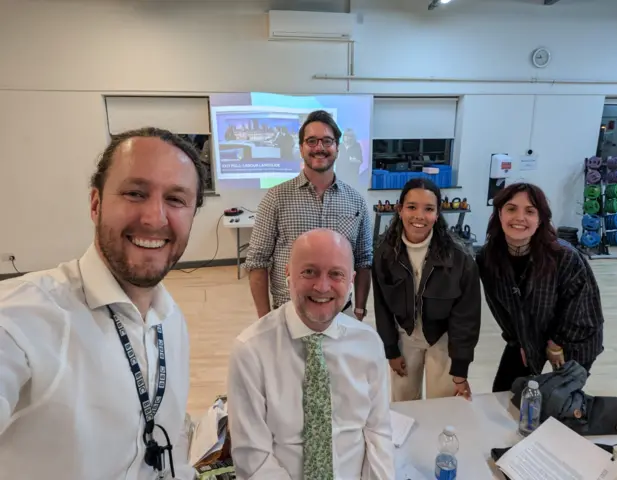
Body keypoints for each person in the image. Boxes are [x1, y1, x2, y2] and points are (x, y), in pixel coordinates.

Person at [0, 127, 206, 479]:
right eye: (135, 193)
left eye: (176, 199)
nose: (155, 218)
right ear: (95, 204)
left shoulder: (171, 322)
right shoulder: (23, 317)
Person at [228, 229, 394, 480]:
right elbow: (253, 458)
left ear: (351, 280)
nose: (322, 286)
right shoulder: (251, 351)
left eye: (336, 274)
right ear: (288, 274)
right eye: (309, 272)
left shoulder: (369, 344)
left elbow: (378, 432)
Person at [244, 110, 373, 321]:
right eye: (311, 141)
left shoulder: (356, 201)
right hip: (288, 313)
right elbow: (257, 262)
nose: (319, 148)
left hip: (341, 314)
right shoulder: (276, 198)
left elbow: (364, 260)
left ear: (337, 148)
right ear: (301, 147)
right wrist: (264, 319)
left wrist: (359, 310)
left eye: (327, 141)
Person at [475, 182, 605, 393]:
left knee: (558, 401)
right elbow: (499, 307)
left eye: (530, 211)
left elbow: (580, 310)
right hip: (527, 333)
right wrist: (520, 340)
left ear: (540, 219)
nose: (519, 217)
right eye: (511, 209)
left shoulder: (564, 256)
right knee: (505, 393)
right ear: (499, 214)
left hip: (574, 339)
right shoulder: (488, 258)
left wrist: (556, 344)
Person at [372, 178, 482, 402]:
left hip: (442, 339)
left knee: (442, 405)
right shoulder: (385, 255)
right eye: (412, 207)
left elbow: (467, 317)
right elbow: (381, 306)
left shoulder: (459, 259)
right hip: (405, 336)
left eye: (429, 209)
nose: (419, 216)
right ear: (400, 209)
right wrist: (391, 350)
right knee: (403, 403)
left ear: (438, 213)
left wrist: (460, 369)